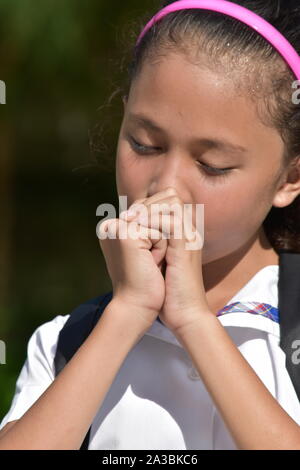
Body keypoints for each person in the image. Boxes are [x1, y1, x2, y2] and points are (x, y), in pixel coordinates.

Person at [1, 0, 300, 450]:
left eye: (212, 165)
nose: (167, 187)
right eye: (143, 144)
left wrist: (196, 322)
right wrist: (127, 314)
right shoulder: (68, 340)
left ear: (290, 177)